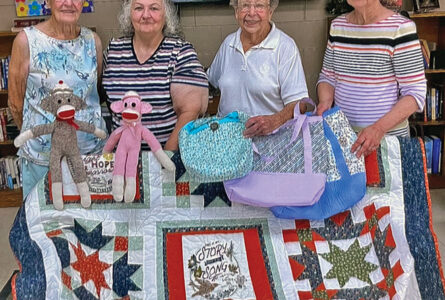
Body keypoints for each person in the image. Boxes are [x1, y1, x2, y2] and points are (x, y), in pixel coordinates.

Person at [8, 0, 107, 198]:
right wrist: (39, 136)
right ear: (47, 2)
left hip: (90, 156)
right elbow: (15, 103)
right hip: (42, 161)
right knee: (44, 225)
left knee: (89, 222)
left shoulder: (92, 40)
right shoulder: (26, 41)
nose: (68, 3)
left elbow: (95, 93)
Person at [316, 0, 427, 158]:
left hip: (387, 142)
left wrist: (378, 129)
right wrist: (325, 102)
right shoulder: (337, 27)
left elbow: (415, 94)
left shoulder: (401, 29)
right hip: (344, 140)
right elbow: (328, 76)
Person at [101, 0, 208, 151]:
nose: (146, 15)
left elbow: (190, 112)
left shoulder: (181, 52)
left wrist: (167, 157)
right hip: (121, 162)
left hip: (166, 157)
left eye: (154, 8)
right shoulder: (113, 51)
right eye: (138, 8)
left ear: (166, 15)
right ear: (129, 14)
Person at [207, 0, 309, 138]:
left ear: (270, 12)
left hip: (269, 143)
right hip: (228, 142)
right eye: (245, 6)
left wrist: (275, 121)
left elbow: (300, 104)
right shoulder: (228, 44)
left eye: (259, 6)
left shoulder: (285, 47)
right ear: (236, 12)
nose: (251, 13)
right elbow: (210, 81)